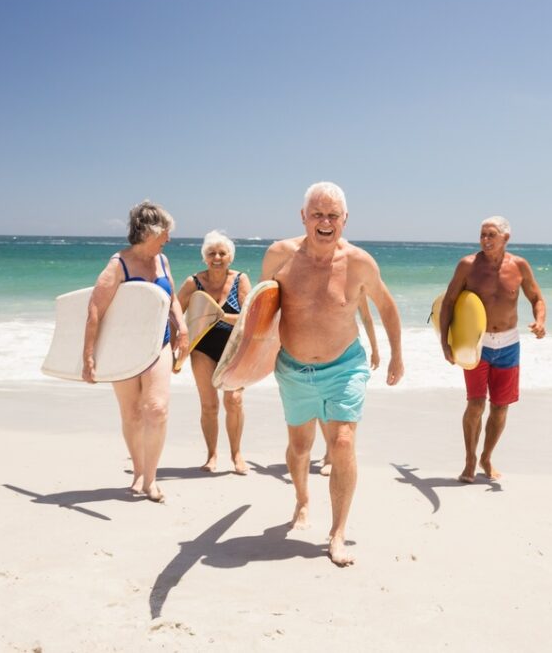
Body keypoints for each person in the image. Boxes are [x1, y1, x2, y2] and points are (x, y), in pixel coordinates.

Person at [262, 181, 404, 566]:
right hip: (293, 368)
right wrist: (245, 361)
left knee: (341, 442)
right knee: (300, 447)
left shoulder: (359, 262)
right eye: (317, 214)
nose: (325, 222)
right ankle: (302, 500)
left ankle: (337, 532)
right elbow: (260, 313)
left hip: (344, 366)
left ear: (345, 219)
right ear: (303, 216)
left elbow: (387, 307)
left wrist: (395, 356)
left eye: (333, 215)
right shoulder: (279, 256)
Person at [82, 200, 190, 503]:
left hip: (159, 344)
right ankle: (139, 472)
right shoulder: (119, 265)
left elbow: (172, 298)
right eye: (165, 232)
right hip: (124, 348)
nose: (169, 238)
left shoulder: (162, 261)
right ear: (149, 232)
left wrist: (182, 327)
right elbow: (95, 310)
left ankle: (151, 479)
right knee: (131, 413)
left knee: (156, 409)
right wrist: (88, 356)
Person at [439, 216, 546, 483]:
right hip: (477, 343)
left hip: (509, 344)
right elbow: (449, 302)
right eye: (482, 235)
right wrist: (445, 342)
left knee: (500, 406)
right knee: (475, 404)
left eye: (491, 235)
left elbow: (536, 297)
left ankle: (486, 457)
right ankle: (469, 460)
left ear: (505, 238)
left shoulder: (519, 266)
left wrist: (540, 321)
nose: (485, 240)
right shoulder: (468, 265)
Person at [176, 230, 252, 475]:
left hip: (234, 348)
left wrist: (219, 316)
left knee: (234, 401)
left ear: (230, 256)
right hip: (202, 348)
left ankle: (237, 454)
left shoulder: (240, 280)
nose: (217, 257)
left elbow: (250, 318)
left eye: (222, 253)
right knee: (209, 405)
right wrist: (173, 347)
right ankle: (211, 455)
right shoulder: (193, 282)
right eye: (211, 253)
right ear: (204, 257)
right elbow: (174, 314)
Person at [318, 297, 380, 477]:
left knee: (339, 411)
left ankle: (333, 455)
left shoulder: (354, 283)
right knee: (321, 406)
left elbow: (366, 317)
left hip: (346, 357)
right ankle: (330, 451)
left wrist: (375, 349)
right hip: (317, 351)